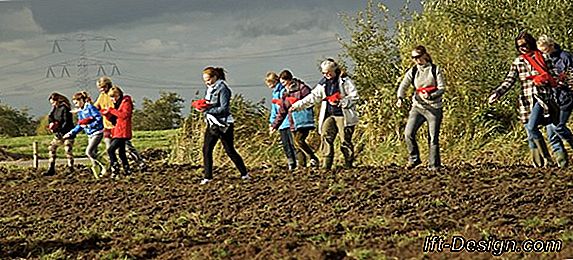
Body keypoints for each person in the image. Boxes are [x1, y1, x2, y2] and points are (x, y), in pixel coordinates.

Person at [489, 32, 563, 167]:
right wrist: (498, 93)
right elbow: (509, 80)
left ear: (530, 43)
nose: (522, 48)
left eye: (524, 45)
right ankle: (539, 164)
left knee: (535, 127)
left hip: (543, 98)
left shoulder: (543, 58)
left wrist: (545, 80)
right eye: (519, 46)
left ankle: (550, 159)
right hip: (526, 101)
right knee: (530, 133)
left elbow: (555, 77)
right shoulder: (518, 61)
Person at [290, 59, 359, 169]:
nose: (326, 75)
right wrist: (297, 106)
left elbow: (354, 96)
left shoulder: (345, 81)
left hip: (342, 114)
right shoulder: (323, 83)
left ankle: (348, 163)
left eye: (328, 72)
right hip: (329, 114)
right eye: (324, 73)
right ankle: (326, 165)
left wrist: (342, 102)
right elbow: (312, 97)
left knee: (345, 139)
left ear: (334, 70)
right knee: (326, 136)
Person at [396, 45, 446, 170]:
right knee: (408, 133)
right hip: (418, 107)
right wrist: (400, 98)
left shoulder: (435, 70)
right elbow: (403, 85)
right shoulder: (413, 71)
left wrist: (431, 95)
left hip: (434, 108)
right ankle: (414, 158)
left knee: (433, 137)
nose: (416, 60)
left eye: (418, 57)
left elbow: (442, 88)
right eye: (413, 58)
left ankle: (434, 165)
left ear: (424, 55)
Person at [197, 67, 249, 184]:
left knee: (229, 150)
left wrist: (207, 110)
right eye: (205, 80)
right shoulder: (210, 89)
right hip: (212, 123)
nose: (207, 83)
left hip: (224, 124)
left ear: (215, 77)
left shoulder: (223, 89)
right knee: (206, 149)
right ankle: (208, 177)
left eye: (208, 80)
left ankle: (244, 174)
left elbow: (224, 108)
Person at [94, 76, 146, 171]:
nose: (101, 90)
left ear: (108, 86)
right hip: (107, 125)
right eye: (100, 88)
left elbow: (120, 112)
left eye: (103, 87)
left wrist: (109, 111)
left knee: (126, 147)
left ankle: (139, 162)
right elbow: (97, 106)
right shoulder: (102, 96)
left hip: (117, 126)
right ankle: (116, 167)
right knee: (110, 147)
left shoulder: (114, 95)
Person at [270, 70, 319, 168]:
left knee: (299, 140)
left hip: (303, 119)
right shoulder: (285, 93)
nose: (283, 85)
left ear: (289, 80)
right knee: (296, 145)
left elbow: (310, 100)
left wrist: (298, 104)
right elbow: (283, 110)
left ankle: (313, 157)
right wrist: (274, 125)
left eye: (284, 82)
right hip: (293, 121)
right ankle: (302, 165)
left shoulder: (302, 88)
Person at [537, 35, 573, 167]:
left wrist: (558, 81)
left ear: (550, 46)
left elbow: (570, 77)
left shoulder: (565, 57)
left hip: (566, 97)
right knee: (551, 133)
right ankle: (562, 163)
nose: (543, 54)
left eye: (545, 50)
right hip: (552, 99)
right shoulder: (544, 59)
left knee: (559, 127)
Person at [63, 91, 105, 178]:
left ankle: (105, 163)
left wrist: (89, 125)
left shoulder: (90, 108)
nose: (76, 105)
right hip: (90, 134)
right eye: (75, 103)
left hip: (97, 132)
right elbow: (80, 125)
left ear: (82, 100)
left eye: (77, 102)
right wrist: (71, 133)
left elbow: (99, 118)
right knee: (93, 155)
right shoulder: (80, 111)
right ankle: (98, 175)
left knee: (89, 152)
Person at [266, 71, 297, 170]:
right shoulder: (275, 93)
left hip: (288, 121)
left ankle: (297, 161)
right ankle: (290, 162)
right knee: (285, 144)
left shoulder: (283, 91)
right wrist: (272, 122)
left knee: (292, 143)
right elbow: (274, 110)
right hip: (281, 123)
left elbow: (282, 107)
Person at [101, 86, 133, 178]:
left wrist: (111, 110)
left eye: (114, 97)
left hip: (122, 131)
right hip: (117, 130)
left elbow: (124, 115)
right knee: (121, 152)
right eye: (111, 97)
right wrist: (107, 115)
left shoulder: (126, 102)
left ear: (119, 95)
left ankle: (115, 169)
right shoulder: (118, 104)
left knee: (111, 150)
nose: (113, 99)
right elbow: (114, 119)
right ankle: (127, 170)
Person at [44, 92, 75, 176]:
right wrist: (51, 124)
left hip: (67, 132)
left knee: (68, 149)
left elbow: (66, 121)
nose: (53, 104)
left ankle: (70, 167)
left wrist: (60, 129)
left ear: (58, 100)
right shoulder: (55, 108)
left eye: (53, 102)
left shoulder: (65, 108)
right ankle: (51, 167)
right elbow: (50, 116)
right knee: (52, 148)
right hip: (58, 132)